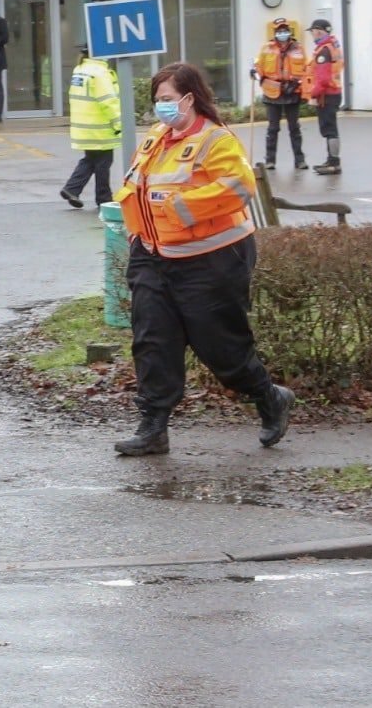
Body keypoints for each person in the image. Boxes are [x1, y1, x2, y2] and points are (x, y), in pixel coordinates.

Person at [113, 62, 294, 457]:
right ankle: (153, 427)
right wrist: (137, 234)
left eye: (167, 100)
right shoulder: (157, 138)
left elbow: (239, 187)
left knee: (221, 347)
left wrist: (178, 209)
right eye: (157, 101)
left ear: (190, 98)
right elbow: (136, 189)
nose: (160, 108)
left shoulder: (217, 141)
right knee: (152, 341)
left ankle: (269, 397)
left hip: (211, 260)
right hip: (153, 256)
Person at [60, 48, 121, 209]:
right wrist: (119, 124)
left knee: (91, 160)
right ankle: (104, 199)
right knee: (103, 163)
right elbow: (108, 101)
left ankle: (72, 189)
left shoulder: (80, 69)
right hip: (99, 128)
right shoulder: (100, 73)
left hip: (84, 127)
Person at [252, 17, 309, 170]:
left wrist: (297, 83)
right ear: (275, 32)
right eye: (280, 30)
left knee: (294, 128)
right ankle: (270, 160)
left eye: (285, 30)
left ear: (289, 31)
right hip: (272, 92)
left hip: (292, 92)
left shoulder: (299, 48)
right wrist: (255, 73)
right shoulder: (266, 48)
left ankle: (299, 160)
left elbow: (306, 70)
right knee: (273, 128)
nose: (282, 33)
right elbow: (258, 68)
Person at [305, 18, 345, 176]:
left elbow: (322, 79)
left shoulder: (323, 51)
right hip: (334, 92)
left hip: (327, 95)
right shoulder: (333, 46)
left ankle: (334, 163)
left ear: (318, 31)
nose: (312, 35)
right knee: (331, 129)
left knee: (329, 130)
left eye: (313, 32)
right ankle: (332, 160)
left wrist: (311, 94)